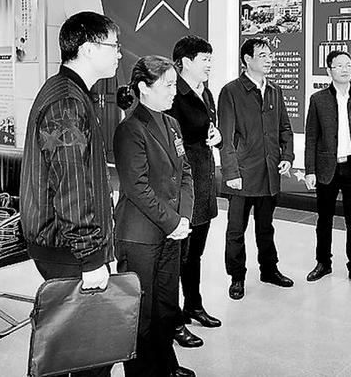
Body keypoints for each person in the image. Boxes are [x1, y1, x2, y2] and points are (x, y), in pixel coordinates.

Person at [20, 11, 121, 377]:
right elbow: (70, 183)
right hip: (68, 247)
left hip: (67, 243)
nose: (118, 53)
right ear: (89, 49)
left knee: (72, 344)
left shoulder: (72, 93)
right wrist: (90, 256)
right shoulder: (67, 102)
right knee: (89, 350)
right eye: (113, 45)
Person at [114, 56, 195, 377]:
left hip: (172, 230)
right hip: (140, 236)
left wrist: (184, 218)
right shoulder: (130, 129)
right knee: (141, 312)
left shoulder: (171, 123)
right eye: (168, 85)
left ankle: (165, 366)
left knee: (165, 306)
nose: (174, 91)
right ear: (144, 88)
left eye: (175, 84)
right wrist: (173, 222)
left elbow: (185, 173)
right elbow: (137, 187)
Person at [217, 38, 295, 300]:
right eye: (263, 55)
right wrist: (231, 173)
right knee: (235, 230)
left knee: (266, 227)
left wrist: (287, 156)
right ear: (247, 59)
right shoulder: (231, 91)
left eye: (270, 55)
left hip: (269, 172)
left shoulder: (275, 90)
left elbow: (285, 128)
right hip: (242, 173)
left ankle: (269, 270)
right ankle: (237, 277)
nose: (269, 59)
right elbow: (226, 136)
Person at [166, 36, 222, 348]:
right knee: (179, 256)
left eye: (210, 59)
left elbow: (208, 130)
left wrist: (217, 137)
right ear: (186, 62)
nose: (209, 65)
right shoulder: (173, 95)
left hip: (204, 181)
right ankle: (172, 318)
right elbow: (172, 144)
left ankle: (193, 305)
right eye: (205, 59)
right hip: (184, 187)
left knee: (195, 253)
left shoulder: (206, 91)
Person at [305, 51, 351, 289]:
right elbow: (311, 137)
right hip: (327, 168)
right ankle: (323, 263)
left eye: (348, 65)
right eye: (339, 65)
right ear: (329, 70)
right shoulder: (318, 99)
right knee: (324, 220)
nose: (345, 69)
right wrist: (310, 170)